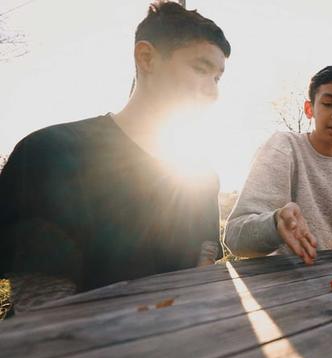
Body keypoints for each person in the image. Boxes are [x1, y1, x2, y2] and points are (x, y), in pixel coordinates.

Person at [0, 1, 231, 311]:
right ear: (146, 57)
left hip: (178, 337)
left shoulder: (201, 177)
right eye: (201, 69)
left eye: (217, 78)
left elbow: (200, 280)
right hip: (74, 341)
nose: (213, 92)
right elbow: (44, 313)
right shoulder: (50, 153)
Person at [224, 66, 332, 264]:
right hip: (286, 278)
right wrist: (275, 224)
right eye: (328, 103)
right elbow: (234, 237)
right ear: (309, 109)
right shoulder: (283, 148)